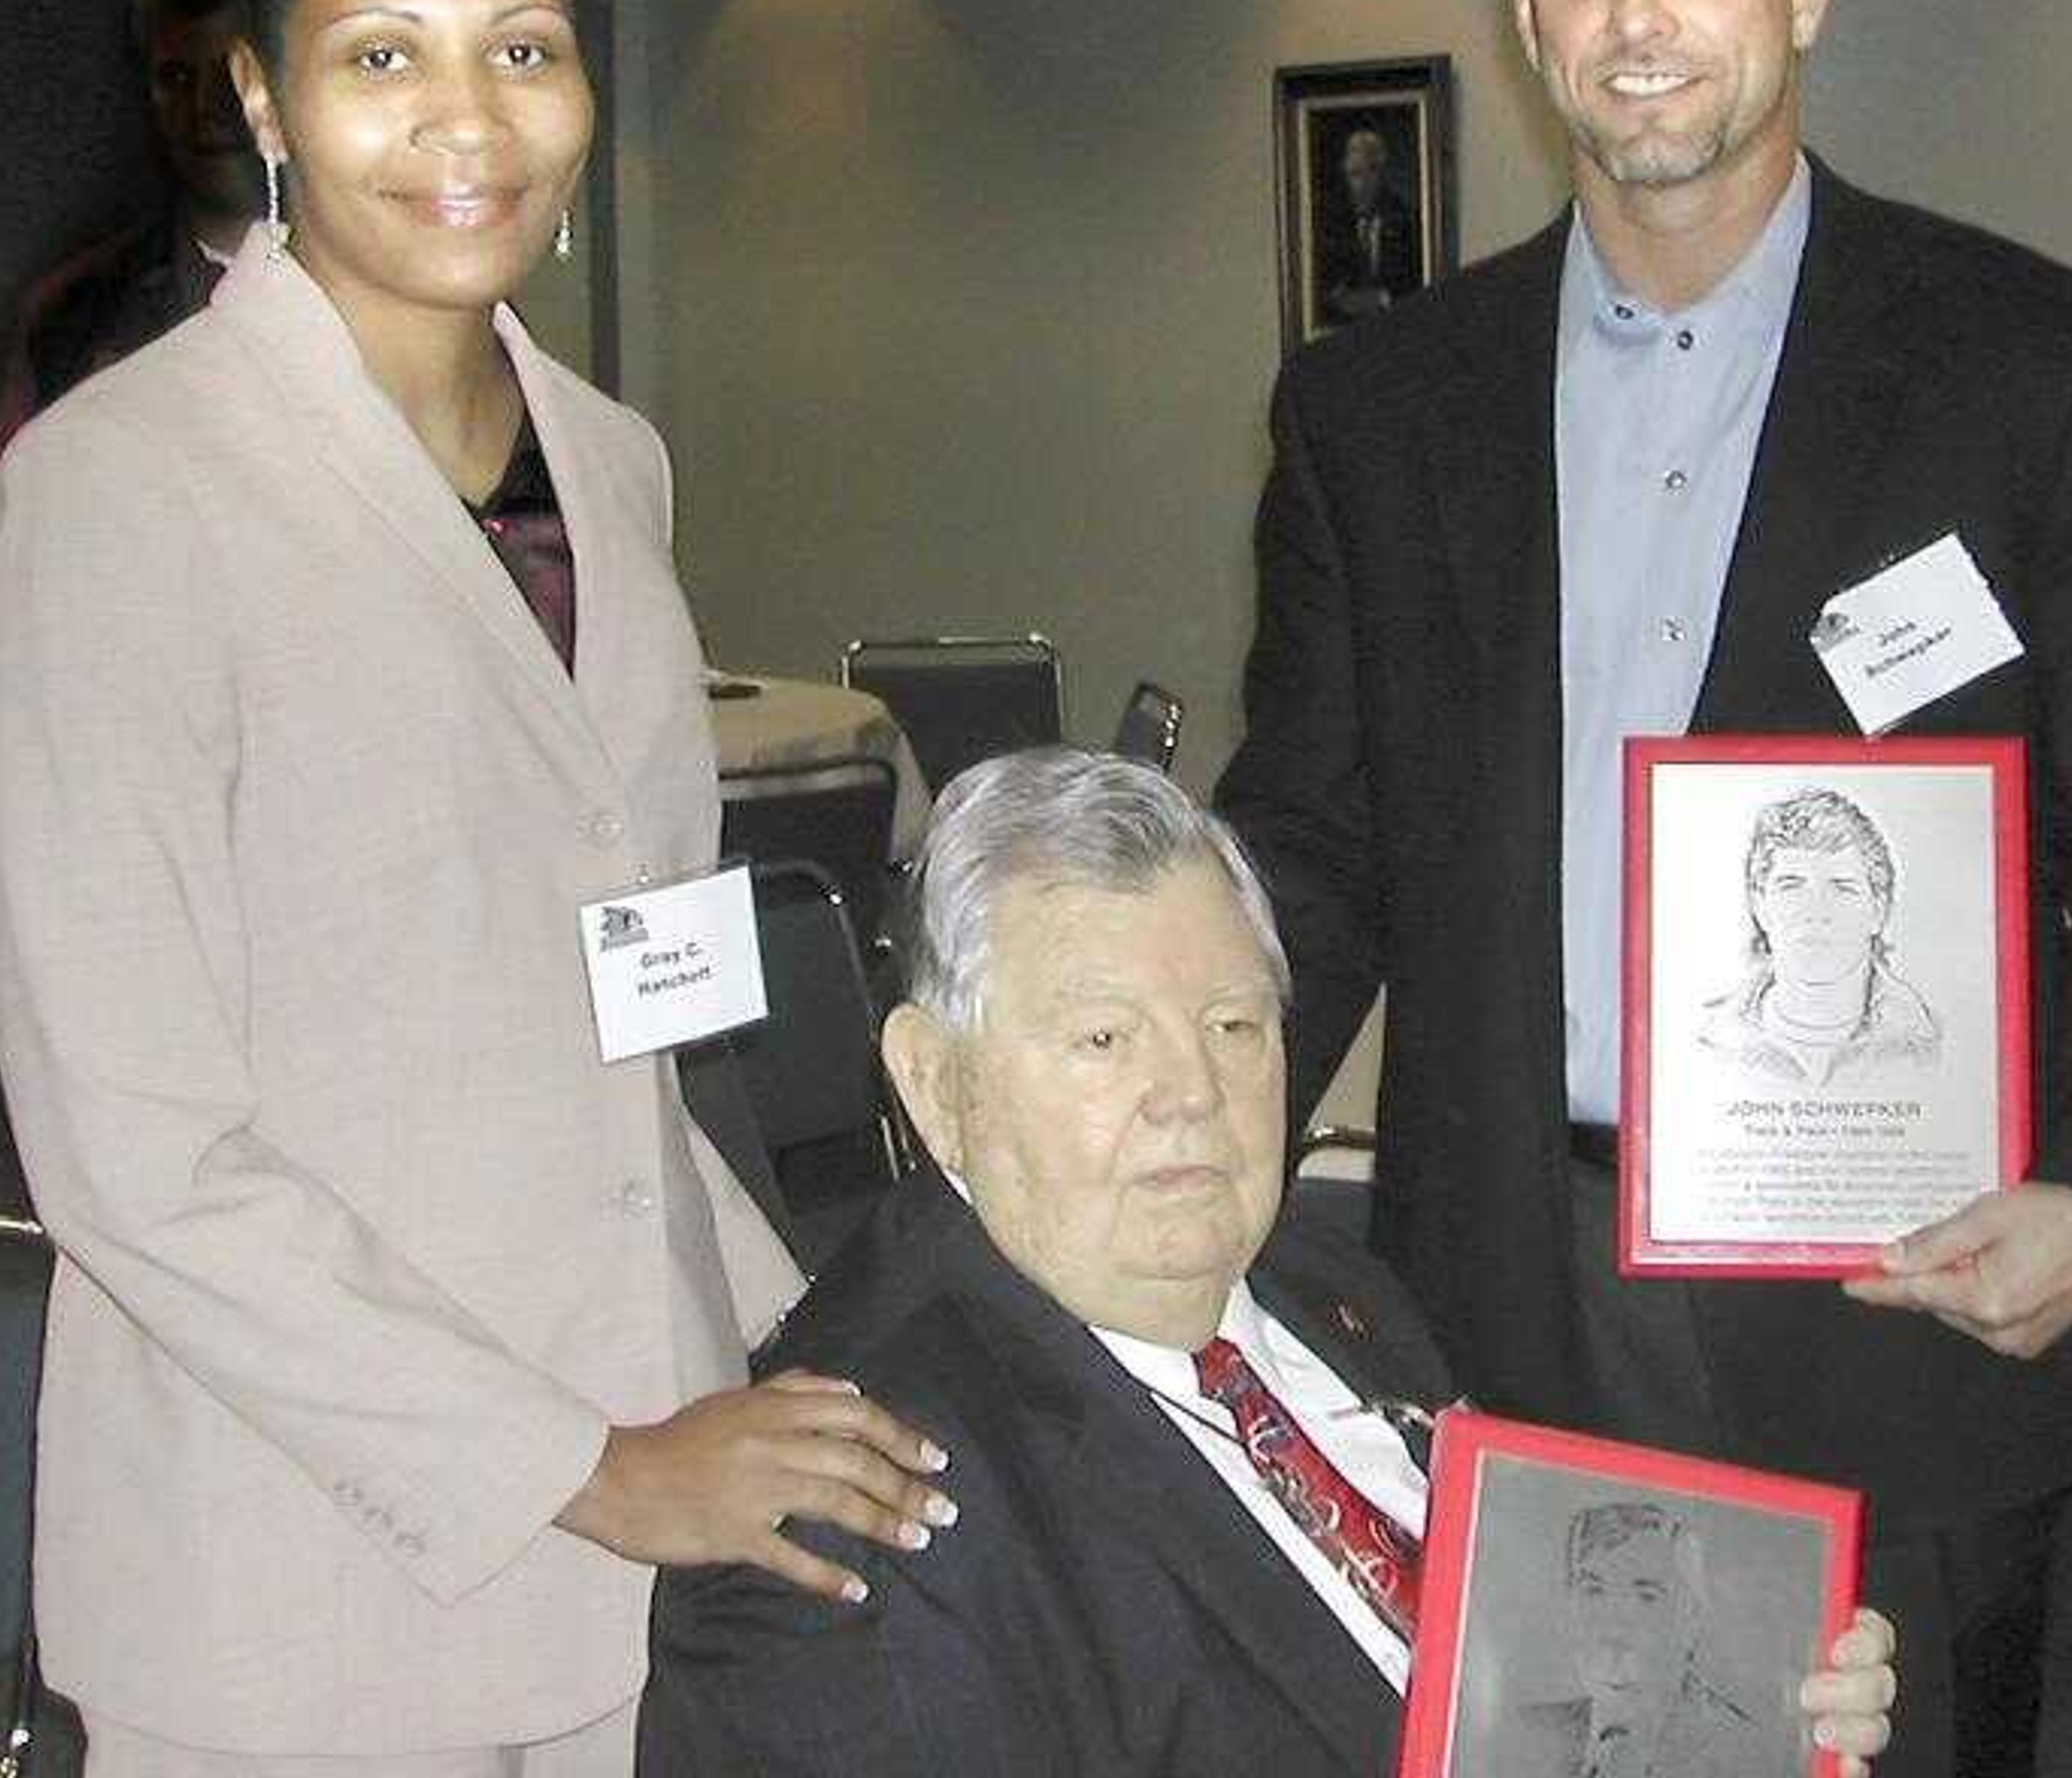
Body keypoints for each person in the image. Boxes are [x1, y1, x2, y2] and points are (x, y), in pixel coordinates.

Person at [1213, 0, 2072, 1775]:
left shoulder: (2029, 362)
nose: (1642, 11)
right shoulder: (1378, 406)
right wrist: (1170, 1146)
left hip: (1901, 1291)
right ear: (1530, 18)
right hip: (1505, 1287)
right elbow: (1312, 847)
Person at [0, 0, 948, 1775]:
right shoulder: (116, 493)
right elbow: (138, 1155)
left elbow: (625, 993)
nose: (464, 120)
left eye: (521, 48)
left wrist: (790, 1333)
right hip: (298, 1569)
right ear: (260, 99)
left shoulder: (611, 457)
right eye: (382, 53)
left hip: (642, 1521)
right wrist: (588, 1460)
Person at [638, 749, 1897, 1777]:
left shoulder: (1330, 1292)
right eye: (1101, 1038)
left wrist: (1753, 1696)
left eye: (1235, 1025)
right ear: (934, 1081)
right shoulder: (841, 1534)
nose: (1191, 1093)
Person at [0, 0, 261, 477]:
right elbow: (14, 515)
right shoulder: (73, 311)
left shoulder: (389, 287)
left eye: (229, 73)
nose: (206, 107)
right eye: (178, 78)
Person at [1697, 789, 1939, 1092]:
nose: (1816, 911)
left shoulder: (1931, 1039)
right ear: (1759, 905)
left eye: (1842, 888)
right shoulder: (1707, 1038)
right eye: (1791, 886)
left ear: (1879, 909)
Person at [1498, 1504, 1756, 1778]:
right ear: (1569, 1605)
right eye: (1594, 1591)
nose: (1612, 1629)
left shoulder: (1743, 1754)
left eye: (1646, 1598)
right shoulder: (1524, 1736)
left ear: (1690, 1620)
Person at [1315, 126, 1423, 325]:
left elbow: (1419, 284)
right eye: (1354, 174)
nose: (1361, 185)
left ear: (1381, 174)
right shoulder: (1331, 223)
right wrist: (1337, 298)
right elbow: (1321, 288)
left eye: (1369, 173)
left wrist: (1382, 298)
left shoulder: (1407, 220)